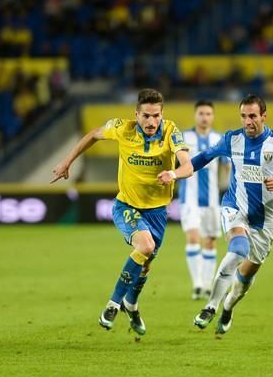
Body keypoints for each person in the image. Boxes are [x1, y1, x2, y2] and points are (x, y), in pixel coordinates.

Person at [158, 94, 273, 335]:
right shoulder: (231, 139)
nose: (248, 121)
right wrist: (174, 175)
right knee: (237, 249)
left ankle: (227, 307)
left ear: (264, 116)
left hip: (265, 220)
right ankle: (211, 305)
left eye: (253, 116)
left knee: (244, 280)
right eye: (244, 116)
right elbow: (200, 160)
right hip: (234, 208)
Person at [51, 88, 190, 336]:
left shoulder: (171, 131)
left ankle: (132, 305)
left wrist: (173, 173)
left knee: (145, 265)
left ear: (162, 114)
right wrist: (67, 162)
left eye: (156, 115)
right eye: (146, 115)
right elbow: (93, 135)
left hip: (157, 212)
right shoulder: (122, 128)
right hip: (127, 206)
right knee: (145, 247)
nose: (151, 121)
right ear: (136, 114)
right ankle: (113, 304)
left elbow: (187, 164)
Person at [178, 100, 229, 300]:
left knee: (210, 241)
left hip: (212, 200)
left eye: (208, 113)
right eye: (201, 113)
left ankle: (207, 286)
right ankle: (197, 284)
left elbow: (227, 166)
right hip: (188, 198)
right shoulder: (184, 138)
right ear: (195, 115)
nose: (204, 117)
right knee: (192, 237)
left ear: (213, 116)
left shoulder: (219, 139)